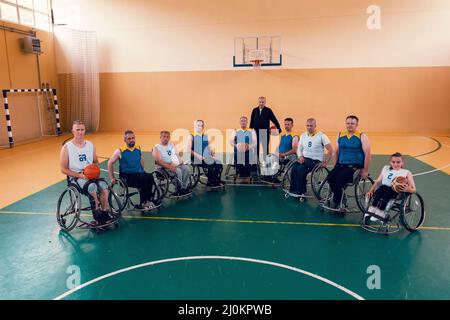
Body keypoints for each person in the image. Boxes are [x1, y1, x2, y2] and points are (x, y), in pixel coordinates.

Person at [60, 120, 110, 224]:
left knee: (105, 187)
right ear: (72, 131)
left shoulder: (90, 145)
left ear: (85, 131)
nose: (80, 132)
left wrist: (95, 169)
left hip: (91, 175)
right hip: (76, 177)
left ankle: (105, 213)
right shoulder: (67, 147)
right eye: (77, 129)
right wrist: (80, 175)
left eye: (82, 129)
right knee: (93, 187)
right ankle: (98, 216)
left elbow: (96, 161)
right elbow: (63, 169)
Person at [327, 115, 371, 209]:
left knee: (340, 179)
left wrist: (365, 171)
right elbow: (336, 152)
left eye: (352, 123)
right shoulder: (340, 135)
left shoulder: (361, 136)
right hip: (341, 164)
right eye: (348, 123)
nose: (350, 125)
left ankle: (337, 201)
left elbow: (367, 154)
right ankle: (341, 198)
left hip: (354, 166)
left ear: (357, 124)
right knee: (330, 177)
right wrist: (335, 166)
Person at [107, 130, 157, 211]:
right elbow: (110, 163)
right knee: (143, 179)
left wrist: (142, 170)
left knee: (150, 177)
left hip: (138, 174)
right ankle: (144, 202)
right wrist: (112, 178)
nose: (131, 140)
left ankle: (148, 199)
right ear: (125, 140)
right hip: (127, 177)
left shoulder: (138, 148)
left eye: (133, 138)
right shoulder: (120, 151)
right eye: (129, 139)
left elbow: (141, 159)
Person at [365, 152, 416, 222]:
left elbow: (414, 189)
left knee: (388, 189)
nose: (395, 164)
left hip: (397, 193)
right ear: (390, 162)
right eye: (393, 162)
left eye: (398, 162)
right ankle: (373, 207)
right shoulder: (386, 168)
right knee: (382, 188)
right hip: (383, 190)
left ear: (402, 163)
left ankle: (381, 211)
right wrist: (371, 190)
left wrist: (408, 189)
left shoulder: (406, 172)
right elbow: (377, 181)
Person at [290, 118, 333, 196]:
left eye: (311, 126)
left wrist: (325, 162)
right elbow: (299, 149)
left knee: (300, 169)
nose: (309, 127)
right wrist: (300, 156)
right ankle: (293, 189)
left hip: (315, 161)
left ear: (315, 126)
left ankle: (301, 191)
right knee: (294, 167)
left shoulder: (322, 136)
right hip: (304, 159)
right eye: (307, 125)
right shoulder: (303, 135)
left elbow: (330, 150)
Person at [153, 131, 191, 196]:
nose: (166, 138)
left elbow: (176, 154)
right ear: (160, 137)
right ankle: (178, 189)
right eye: (164, 136)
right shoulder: (156, 147)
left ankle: (184, 188)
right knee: (178, 171)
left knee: (186, 168)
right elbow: (158, 161)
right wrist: (169, 166)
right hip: (163, 167)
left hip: (173, 164)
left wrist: (180, 161)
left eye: (167, 137)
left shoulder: (171, 145)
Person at [187, 120, 223, 187]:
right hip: (196, 158)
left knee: (219, 163)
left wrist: (213, 154)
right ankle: (210, 181)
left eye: (201, 125)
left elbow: (209, 147)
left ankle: (215, 179)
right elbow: (189, 150)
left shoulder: (205, 136)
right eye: (198, 125)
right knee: (210, 163)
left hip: (206, 157)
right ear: (195, 126)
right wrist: (198, 156)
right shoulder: (191, 136)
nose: (200, 127)